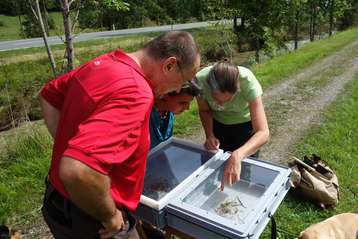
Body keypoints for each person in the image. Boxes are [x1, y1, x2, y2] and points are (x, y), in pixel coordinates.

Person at [39, 31, 200, 239]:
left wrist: (67, 146)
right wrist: (110, 215)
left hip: (58, 199)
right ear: (169, 65)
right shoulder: (136, 93)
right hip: (93, 213)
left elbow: (49, 95)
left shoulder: (105, 63)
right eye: (183, 80)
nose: (179, 88)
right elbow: (77, 171)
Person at [195, 61, 269, 191]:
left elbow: (263, 133)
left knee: (241, 170)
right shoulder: (200, 81)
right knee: (214, 165)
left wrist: (238, 155)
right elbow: (205, 110)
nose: (222, 105)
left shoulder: (248, 82)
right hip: (219, 124)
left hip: (245, 126)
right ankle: (213, 192)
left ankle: (239, 192)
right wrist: (210, 135)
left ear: (237, 90)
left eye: (228, 100)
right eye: (216, 100)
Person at [149, 80, 202, 149]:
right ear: (164, 95)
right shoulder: (146, 115)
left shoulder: (168, 112)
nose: (187, 108)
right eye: (182, 102)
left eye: (189, 102)